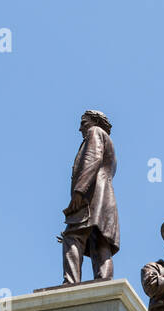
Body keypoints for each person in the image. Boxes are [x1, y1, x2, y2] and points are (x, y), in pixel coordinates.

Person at [60, 110, 118, 284]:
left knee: (72, 235)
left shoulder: (95, 132)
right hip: (106, 198)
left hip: (92, 195)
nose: (80, 128)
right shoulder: (110, 143)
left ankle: (70, 283)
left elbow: (92, 159)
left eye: (83, 123)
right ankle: (104, 284)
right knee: (100, 241)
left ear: (95, 122)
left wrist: (79, 191)